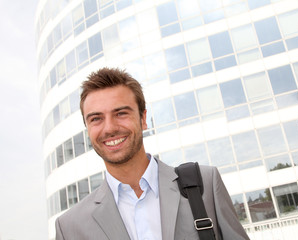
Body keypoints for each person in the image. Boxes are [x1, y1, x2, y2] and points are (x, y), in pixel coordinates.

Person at [55, 67, 250, 240]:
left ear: (143, 118)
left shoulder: (205, 185)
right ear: (88, 128)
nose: (109, 128)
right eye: (96, 119)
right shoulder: (69, 228)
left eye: (121, 113)